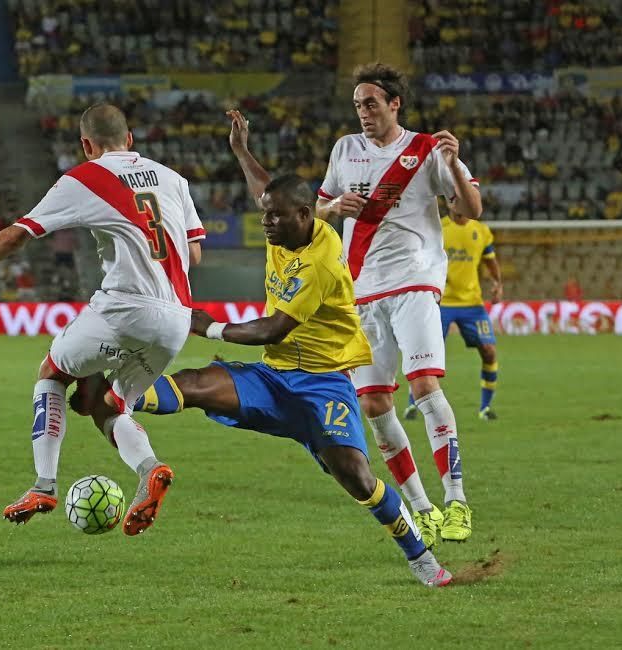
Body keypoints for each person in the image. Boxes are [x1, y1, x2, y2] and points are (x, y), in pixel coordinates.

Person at [132, 113, 452, 587]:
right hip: (274, 376)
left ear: (305, 216)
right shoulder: (288, 225)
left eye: (275, 216)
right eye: (265, 215)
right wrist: (241, 150)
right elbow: (267, 191)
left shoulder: (320, 261)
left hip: (324, 385)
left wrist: (209, 326)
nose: (266, 223)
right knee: (196, 383)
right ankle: (118, 399)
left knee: (358, 478)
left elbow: (273, 328)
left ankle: (421, 557)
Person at [0, 103, 206, 536]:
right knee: (111, 405)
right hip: (176, 320)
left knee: (52, 372)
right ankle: (150, 468)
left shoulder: (86, 177)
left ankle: (44, 485)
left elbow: (17, 234)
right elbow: (194, 254)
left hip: (126, 307)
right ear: (130, 139)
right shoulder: (173, 179)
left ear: (86, 145)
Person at [315, 63, 483, 548]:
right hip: (360, 289)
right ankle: (422, 508)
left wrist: (454, 164)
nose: (363, 112)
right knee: (373, 403)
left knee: (424, 385)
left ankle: (456, 500)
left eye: (371, 103)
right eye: (357, 105)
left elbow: (470, 211)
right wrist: (333, 208)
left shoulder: (427, 149)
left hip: (414, 281)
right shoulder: (345, 149)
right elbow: (319, 209)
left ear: (395, 104)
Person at [404, 196, 503, 421]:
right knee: (425, 353)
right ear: (448, 203)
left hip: (472, 304)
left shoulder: (481, 231)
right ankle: (412, 405)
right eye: (453, 199)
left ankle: (485, 408)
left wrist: (497, 283)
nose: (457, 203)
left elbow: (490, 260)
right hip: (441, 302)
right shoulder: (437, 228)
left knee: (489, 350)